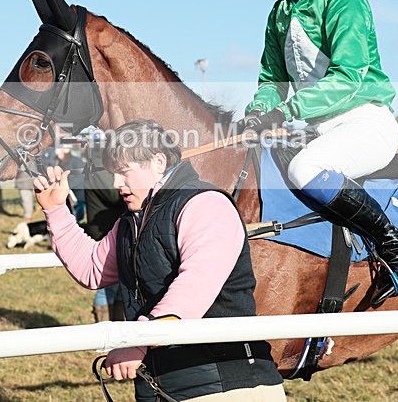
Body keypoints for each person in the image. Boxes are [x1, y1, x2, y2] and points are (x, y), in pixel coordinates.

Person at [238, 0, 398, 306]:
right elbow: (272, 79)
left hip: (364, 121)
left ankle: (397, 246)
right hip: (314, 127)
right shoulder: (279, 13)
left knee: (306, 169)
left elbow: (348, 76)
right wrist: (258, 110)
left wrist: (285, 111)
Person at [34, 120, 284, 401]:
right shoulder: (131, 221)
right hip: (161, 383)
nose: (116, 184)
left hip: (228, 383)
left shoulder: (205, 204)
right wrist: (56, 210)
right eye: (113, 174)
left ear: (158, 161)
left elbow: (193, 289)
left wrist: (137, 342)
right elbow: (92, 269)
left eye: (124, 172)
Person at [83, 143, 127, 323]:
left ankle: (116, 324)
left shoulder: (99, 168)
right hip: (103, 234)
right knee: (105, 287)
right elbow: (114, 196)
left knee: (117, 286)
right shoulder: (97, 171)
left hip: (110, 232)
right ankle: (104, 327)